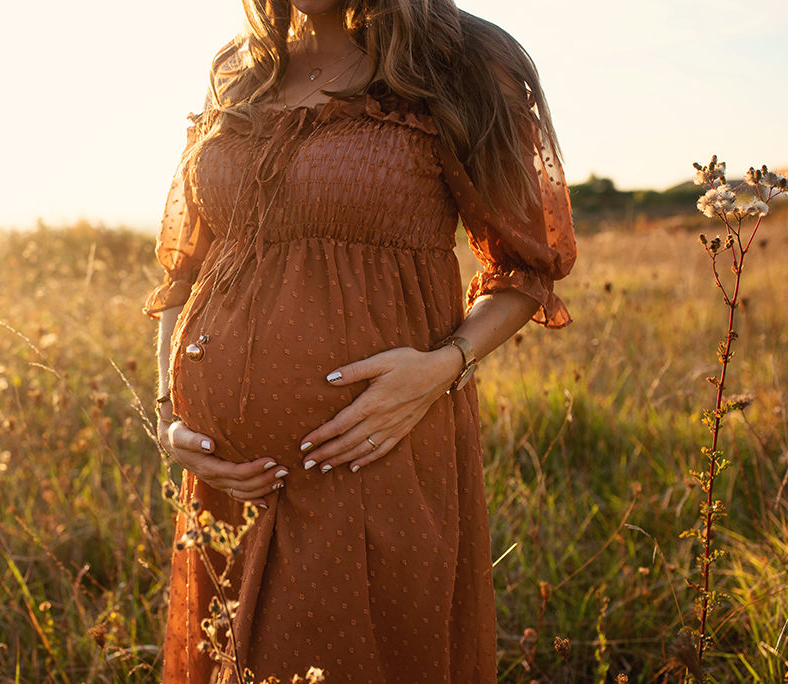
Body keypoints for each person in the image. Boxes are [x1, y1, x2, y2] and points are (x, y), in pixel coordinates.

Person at [145, 0, 576, 681]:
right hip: (227, 478)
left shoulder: (462, 60)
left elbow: (523, 269)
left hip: (370, 453)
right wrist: (170, 412)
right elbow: (186, 268)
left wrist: (446, 365)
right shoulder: (242, 68)